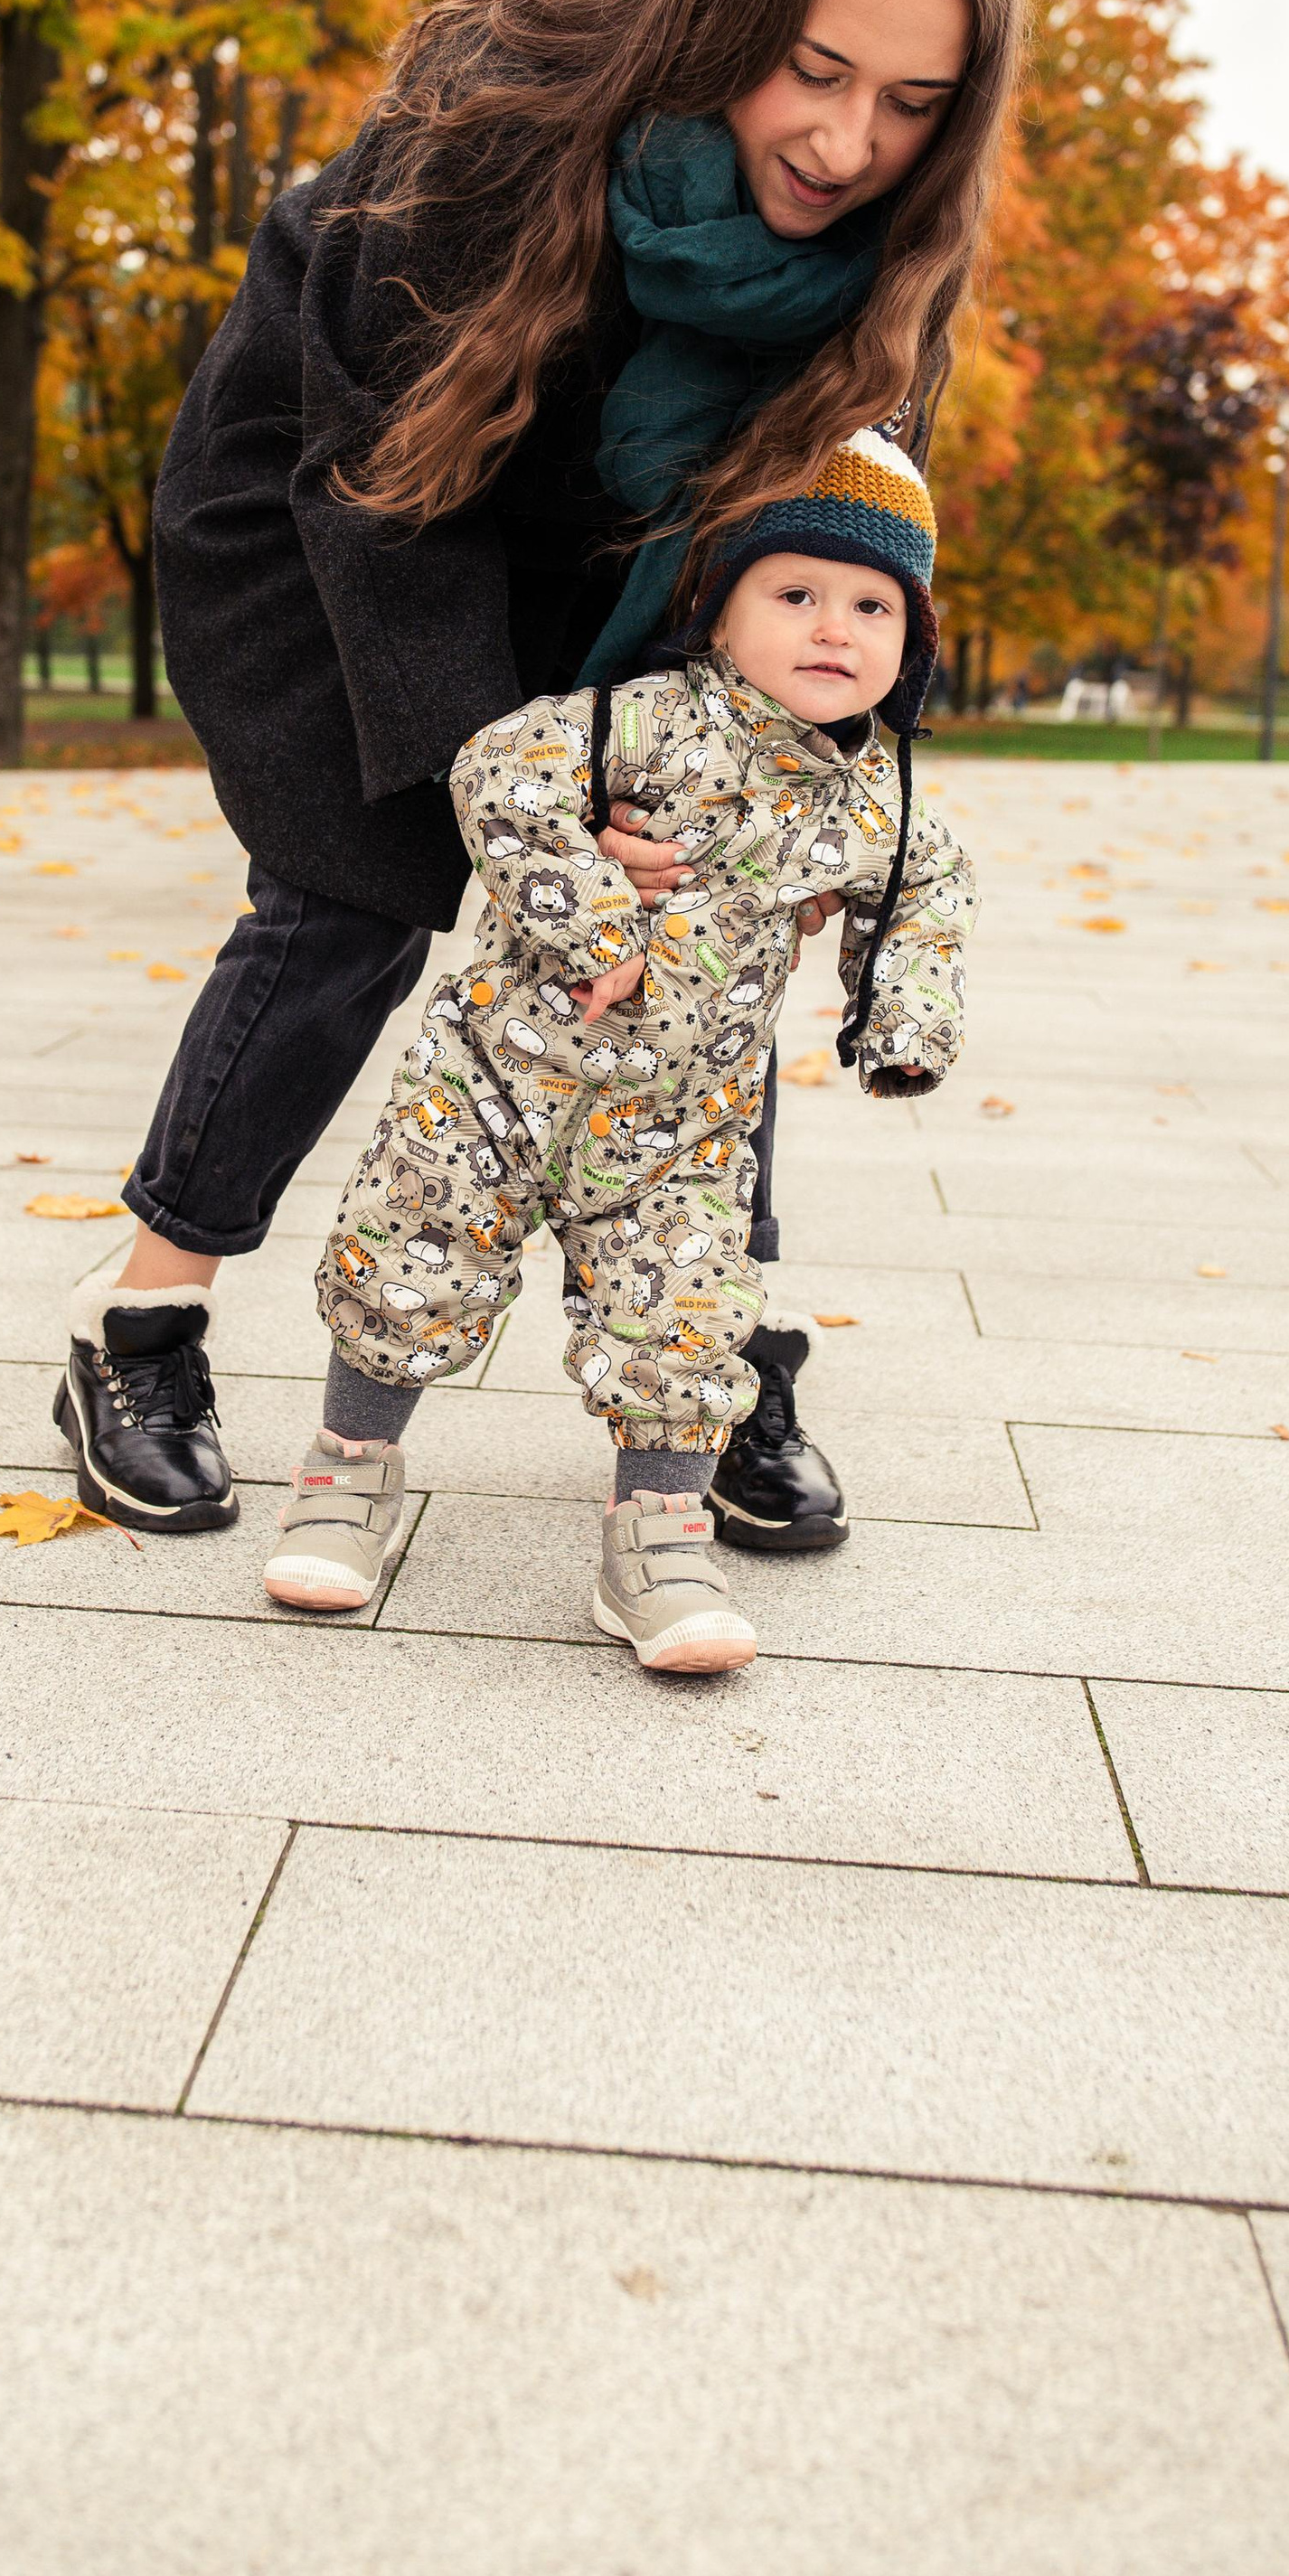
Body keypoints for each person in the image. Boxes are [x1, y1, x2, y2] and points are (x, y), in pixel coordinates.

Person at [52, 0, 1025, 1545]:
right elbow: (384, 468)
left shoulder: (899, 242)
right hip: (350, 491)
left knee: (702, 898)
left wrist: (804, 799)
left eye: (910, 102)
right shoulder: (509, 100)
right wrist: (524, 793)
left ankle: (715, 1346)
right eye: (813, 72)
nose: (845, 140)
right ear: (737, 19)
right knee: (354, 889)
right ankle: (138, 1320)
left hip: (642, 543)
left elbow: (853, 534)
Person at [257, 429, 974, 1671]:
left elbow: (927, 894)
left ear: (911, 641)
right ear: (721, 612)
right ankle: (349, 1469)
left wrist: (902, 1020)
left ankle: (659, 1537)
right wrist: (591, 922)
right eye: (794, 594)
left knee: (686, 1313)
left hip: (681, 1127)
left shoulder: (882, 801)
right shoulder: (631, 723)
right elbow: (498, 775)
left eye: (873, 607)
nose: (833, 628)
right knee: (410, 1257)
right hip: (495, 1082)